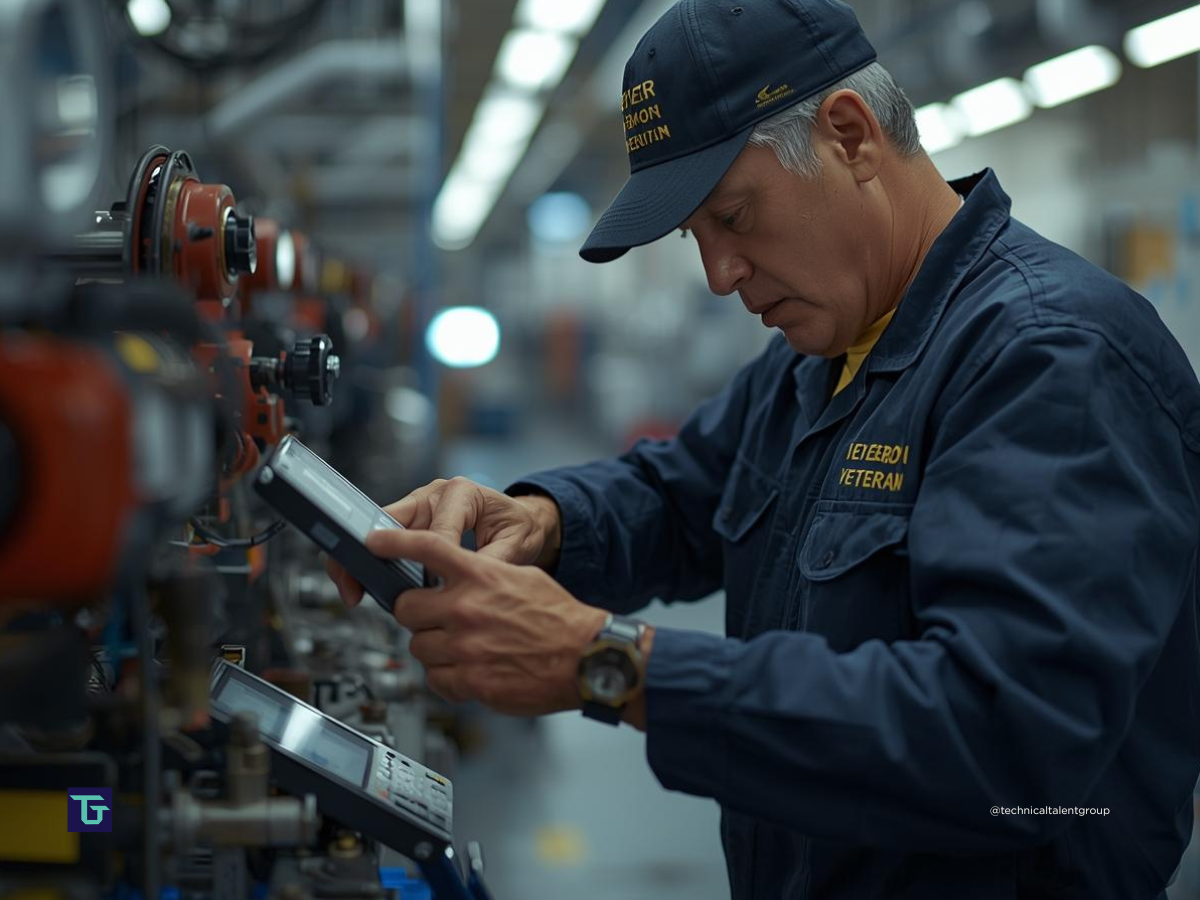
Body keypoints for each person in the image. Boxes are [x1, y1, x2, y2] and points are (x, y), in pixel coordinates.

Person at [329, 0, 1200, 896]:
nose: (718, 276)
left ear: (851, 137)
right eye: (695, 237)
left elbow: (1004, 737)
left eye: (734, 218)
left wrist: (616, 664)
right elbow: (682, 492)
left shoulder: (1053, 359)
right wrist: (544, 520)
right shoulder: (823, 358)